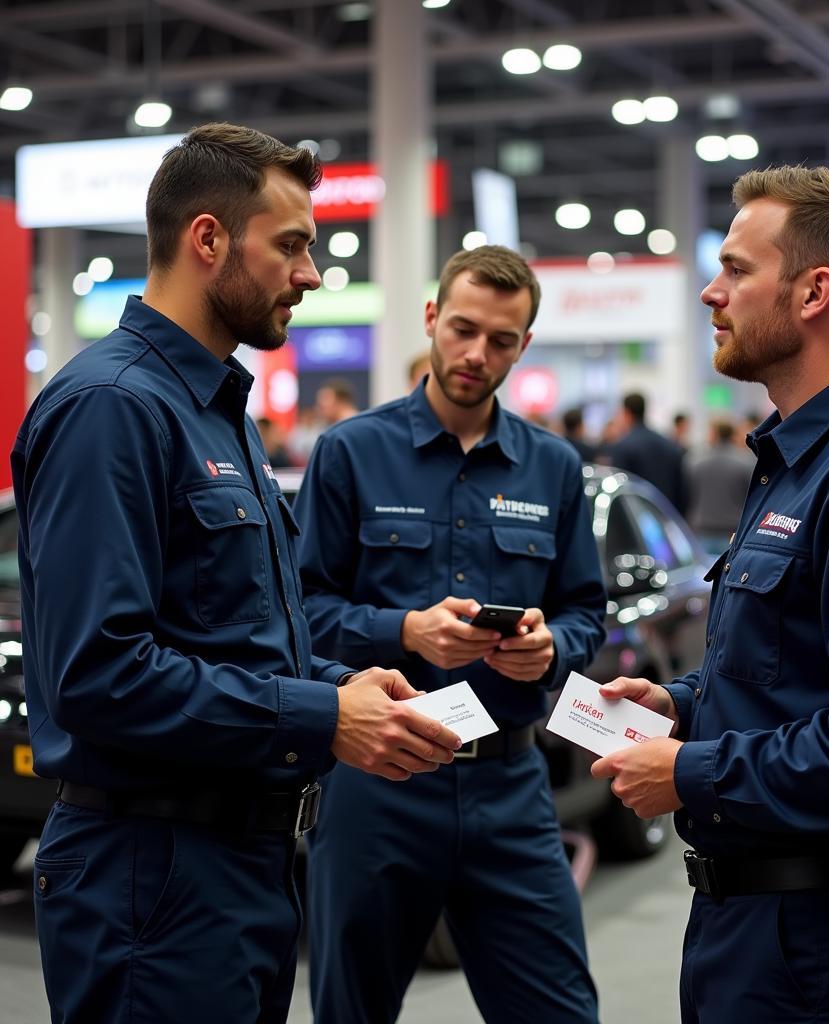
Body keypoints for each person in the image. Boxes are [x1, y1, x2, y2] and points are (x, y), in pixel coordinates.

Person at [11, 123, 460, 1024]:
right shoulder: (113, 407)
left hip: (241, 874)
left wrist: (342, 683)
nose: (311, 273)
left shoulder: (216, 411)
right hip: (152, 876)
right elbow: (97, 675)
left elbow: (230, 632)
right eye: (291, 244)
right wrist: (326, 715)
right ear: (208, 238)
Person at [591, 166, 829, 1023]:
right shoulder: (802, 463)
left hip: (828, 941)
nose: (711, 290)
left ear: (815, 292)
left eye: (736, 269)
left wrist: (690, 771)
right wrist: (683, 703)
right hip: (755, 922)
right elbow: (790, 672)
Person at [294, 244, 606, 1024]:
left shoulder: (554, 467)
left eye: (502, 340)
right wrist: (405, 631)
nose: (477, 354)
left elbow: (584, 614)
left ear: (524, 345)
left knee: (560, 1008)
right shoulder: (350, 453)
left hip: (511, 784)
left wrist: (551, 650)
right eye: (463, 329)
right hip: (378, 783)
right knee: (352, 1009)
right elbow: (298, 613)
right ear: (433, 318)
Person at [606, 392, 690, 516]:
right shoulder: (670, 446)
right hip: (667, 519)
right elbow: (682, 493)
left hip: (636, 522)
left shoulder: (622, 447)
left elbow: (620, 495)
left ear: (626, 413)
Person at [687, 417, 754, 556]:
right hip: (733, 531)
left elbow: (689, 495)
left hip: (703, 530)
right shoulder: (747, 462)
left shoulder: (695, 462)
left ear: (714, 433)